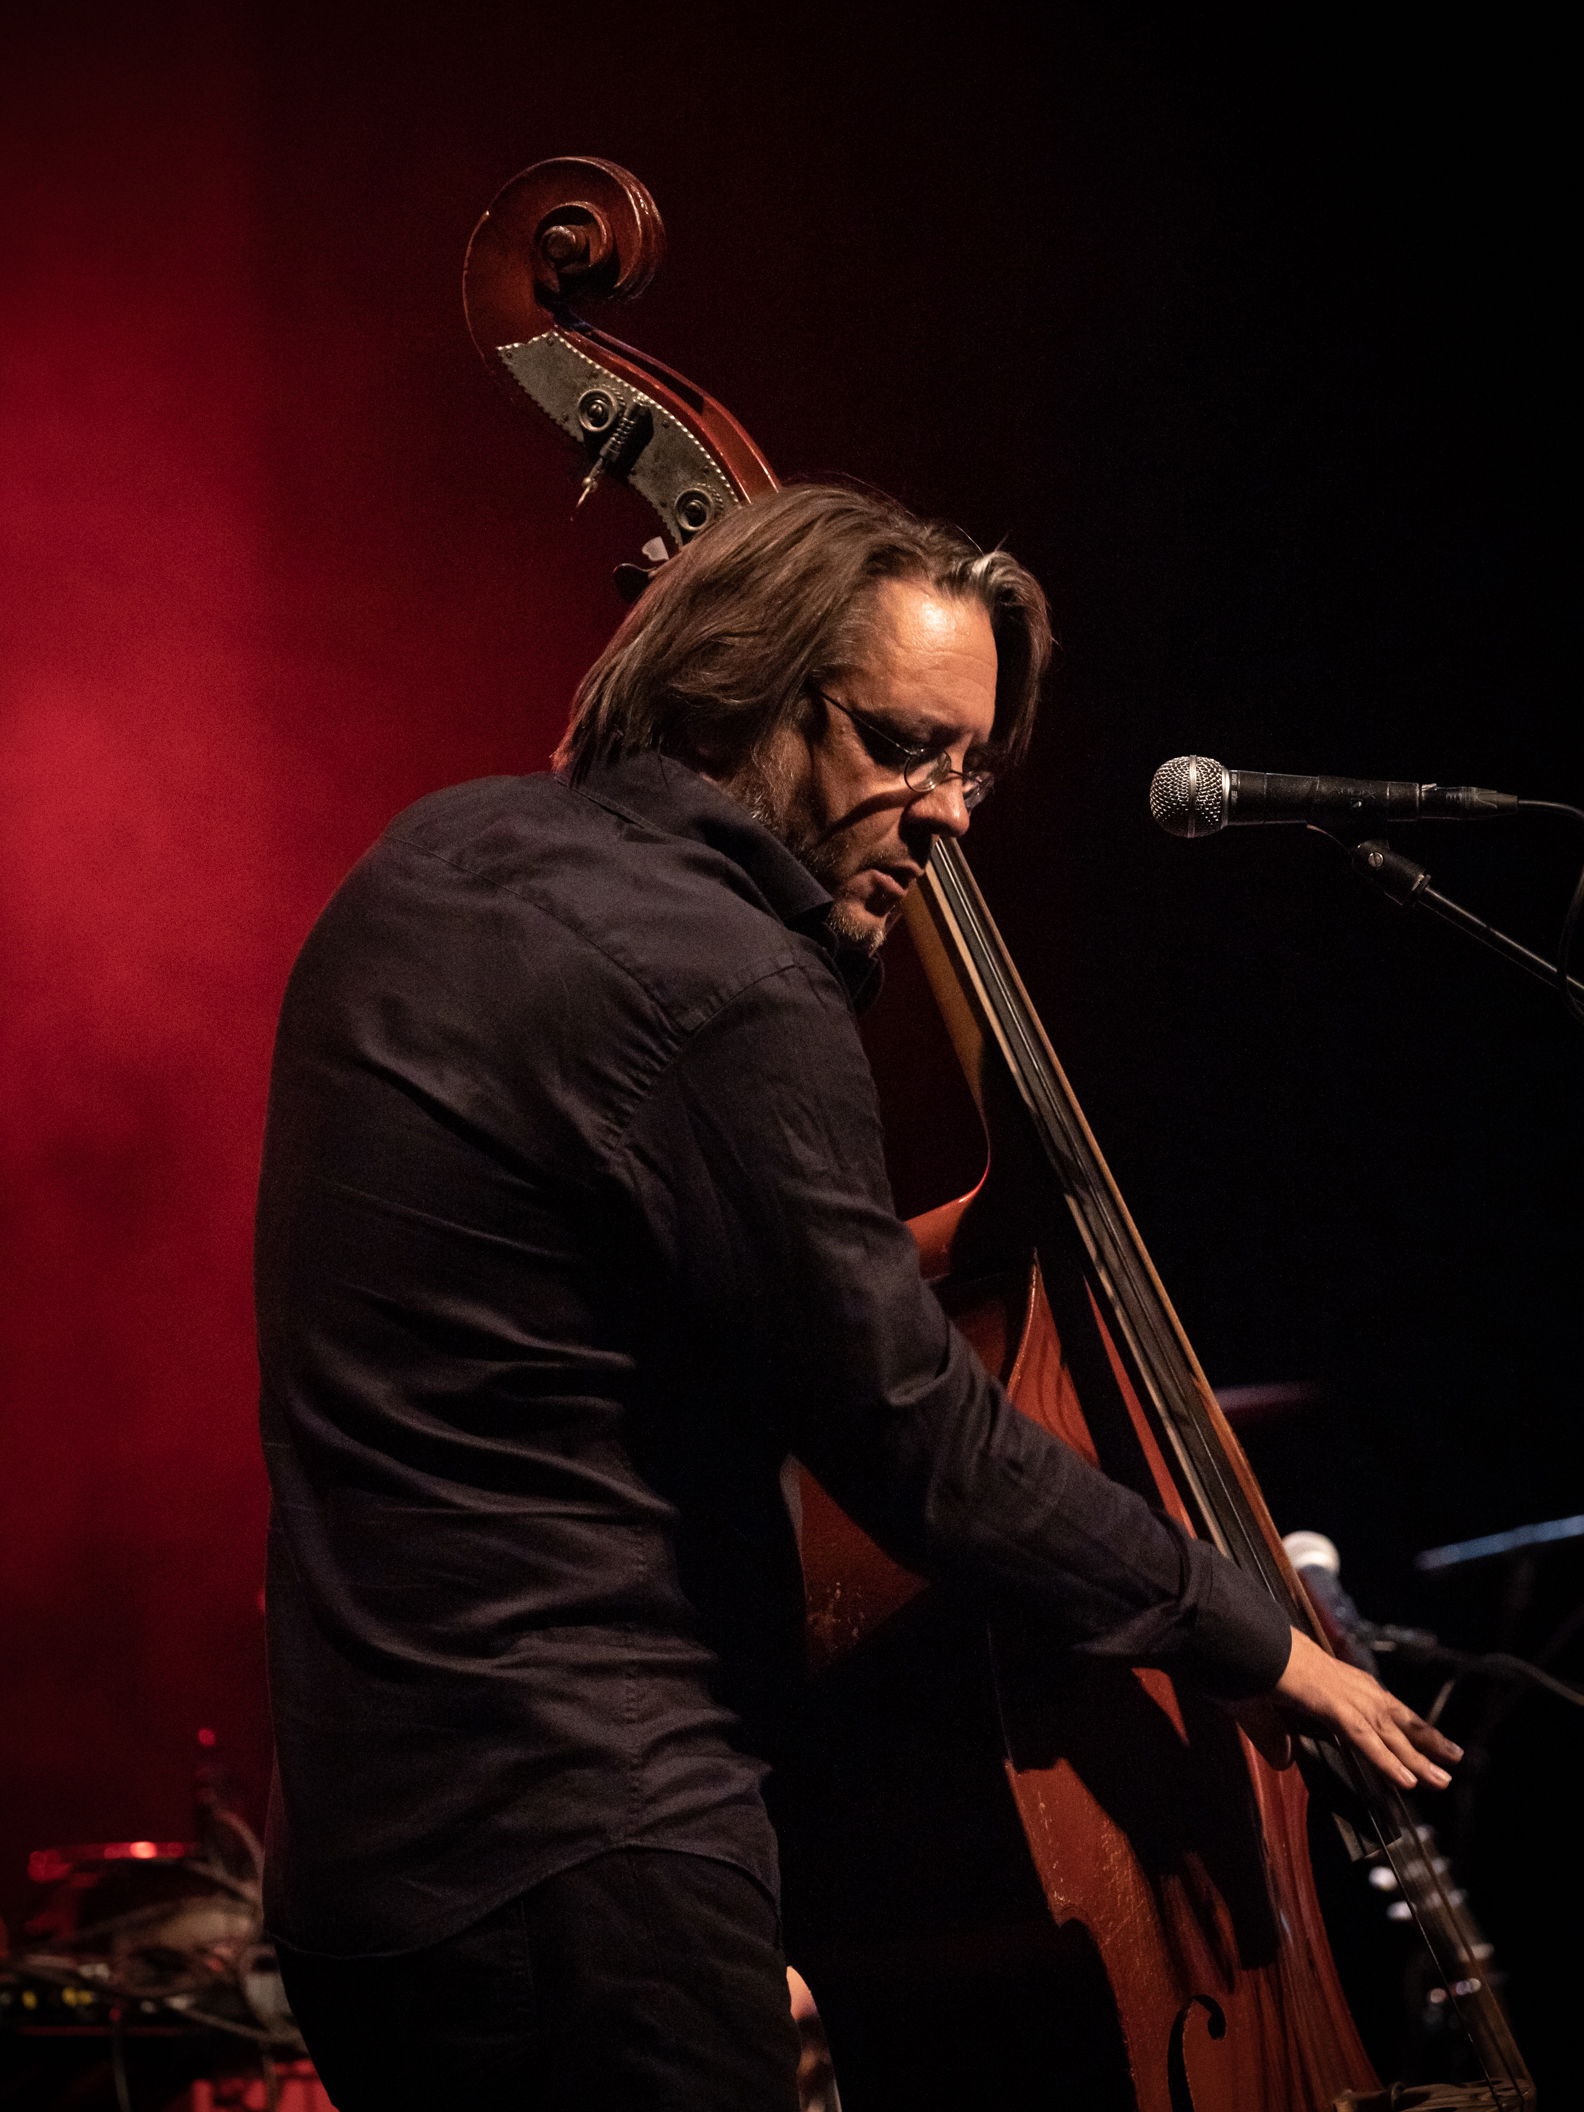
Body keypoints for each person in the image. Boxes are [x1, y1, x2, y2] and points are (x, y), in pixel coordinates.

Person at [256, 483, 1459, 2110]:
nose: (950, 810)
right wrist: (1262, 1638)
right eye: (905, 744)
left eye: (973, 765)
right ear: (743, 684)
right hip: (591, 1858)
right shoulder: (732, 987)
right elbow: (924, 1447)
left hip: (355, 1875)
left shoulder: (425, 861)